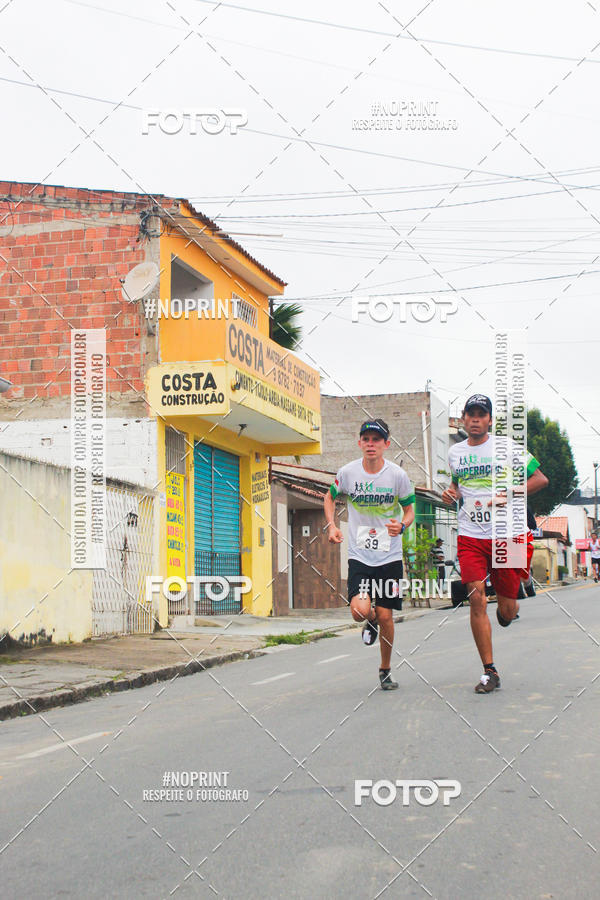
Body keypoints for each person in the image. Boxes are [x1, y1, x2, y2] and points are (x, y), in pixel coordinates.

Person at [441, 394, 548, 694]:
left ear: (489, 420)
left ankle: (506, 611)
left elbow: (540, 479)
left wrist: (510, 493)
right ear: (463, 419)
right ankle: (490, 671)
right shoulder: (456, 453)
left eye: (481, 414)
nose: (475, 419)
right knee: (475, 597)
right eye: (470, 414)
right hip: (471, 535)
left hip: (509, 534)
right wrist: (450, 494)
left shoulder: (507, 447)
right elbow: (455, 486)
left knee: (508, 608)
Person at [324, 419, 415, 690]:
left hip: (390, 556)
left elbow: (410, 509)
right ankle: (370, 619)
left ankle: (385, 669)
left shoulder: (397, 475)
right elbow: (329, 496)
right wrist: (331, 525)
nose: (371, 444)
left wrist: (403, 524)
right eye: (366, 439)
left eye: (377, 439)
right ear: (359, 442)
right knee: (359, 611)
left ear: (386, 444)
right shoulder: (348, 473)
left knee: (388, 616)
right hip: (360, 554)